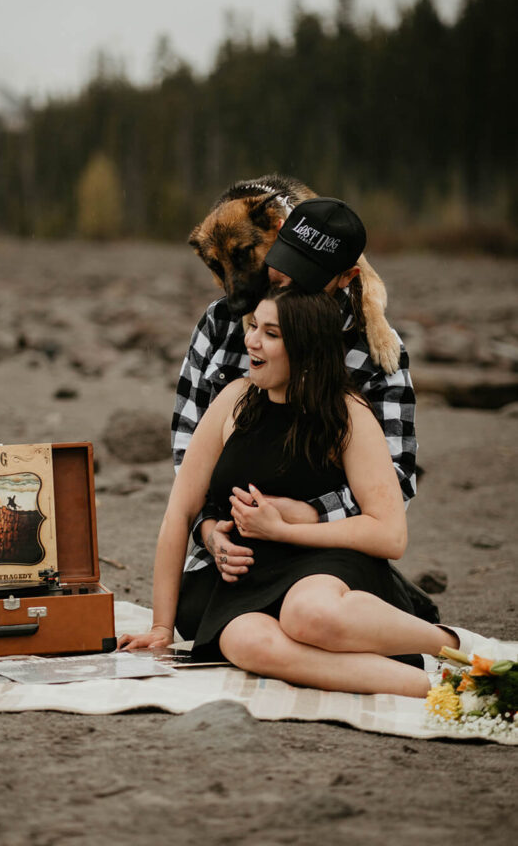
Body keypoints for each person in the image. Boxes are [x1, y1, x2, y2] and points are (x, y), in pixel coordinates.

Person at [120, 285, 456, 697]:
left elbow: (390, 535)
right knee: (246, 642)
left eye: (271, 333)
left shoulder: (348, 412)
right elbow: (179, 512)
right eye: (253, 326)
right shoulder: (234, 399)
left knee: (307, 615)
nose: (251, 341)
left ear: (307, 348)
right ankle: (433, 687)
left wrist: (283, 530)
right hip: (241, 578)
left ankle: (456, 646)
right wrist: (160, 627)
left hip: (325, 564)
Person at [171, 196, 430, 640]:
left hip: (325, 556)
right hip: (233, 548)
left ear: (347, 278)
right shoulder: (222, 324)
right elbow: (186, 456)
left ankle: (383, 613)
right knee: (208, 622)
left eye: (305, 276)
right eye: (281, 263)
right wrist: (212, 532)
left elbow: (396, 481)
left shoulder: (375, 351)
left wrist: (305, 517)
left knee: (306, 616)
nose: (285, 280)